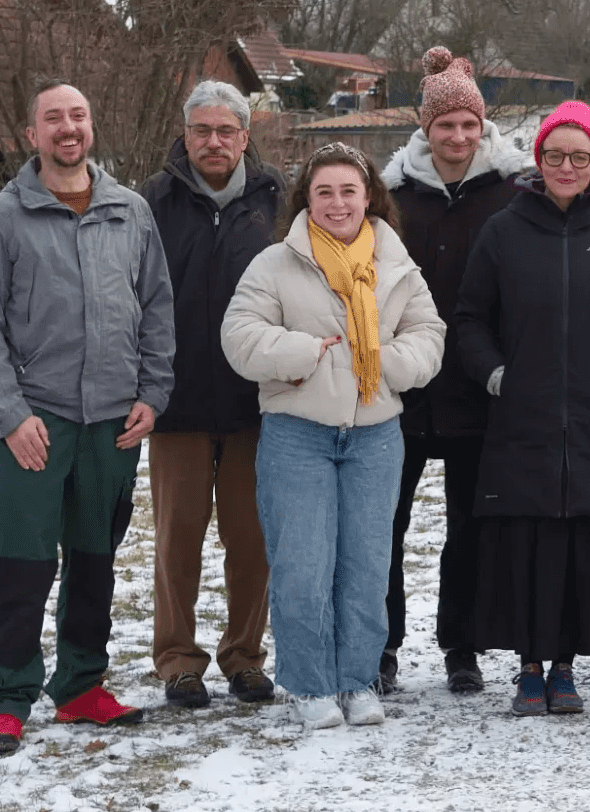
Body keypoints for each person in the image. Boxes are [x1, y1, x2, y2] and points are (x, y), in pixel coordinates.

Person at [0, 81, 175, 757]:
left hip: (112, 422)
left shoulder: (130, 212)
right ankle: (8, 697)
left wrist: (152, 393)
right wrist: (8, 415)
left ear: (91, 127)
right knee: (19, 562)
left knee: (93, 560)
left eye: (77, 115)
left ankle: (81, 685)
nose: (67, 127)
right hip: (35, 422)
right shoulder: (6, 216)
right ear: (32, 135)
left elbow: (156, 308)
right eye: (53, 118)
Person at [221, 144, 446, 730]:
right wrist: (302, 353)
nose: (337, 203)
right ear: (307, 199)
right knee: (302, 566)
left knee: (367, 567)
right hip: (298, 434)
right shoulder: (275, 264)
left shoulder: (396, 264)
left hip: (375, 436)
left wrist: (390, 361)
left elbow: (429, 333)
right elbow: (239, 335)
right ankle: (311, 683)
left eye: (349, 191)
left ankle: (358, 678)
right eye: (324, 192)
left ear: (369, 197)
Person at [454, 100, 590, 716]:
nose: (566, 167)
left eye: (579, 156)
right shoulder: (503, 230)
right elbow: (470, 318)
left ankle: (565, 667)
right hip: (523, 424)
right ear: (538, 159)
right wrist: (494, 373)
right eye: (554, 155)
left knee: (578, 552)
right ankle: (528, 668)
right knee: (526, 547)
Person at [381, 48, 528, 696]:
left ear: (483, 124)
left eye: (469, 124)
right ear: (426, 126)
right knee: (385, 525)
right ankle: (380, 644)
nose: (459, 136)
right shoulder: (393, 197)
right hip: (402, 389)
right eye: (446, 124)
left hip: (478, 388)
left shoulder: (510, 193)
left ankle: (461, 645)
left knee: (469, 526)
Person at [139, 80, 286, 711]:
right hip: (178, 403)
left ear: (245, 137)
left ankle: (245, 657)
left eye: (227, 131)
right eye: (202, 130)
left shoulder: (278, 201)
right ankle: (178, 660)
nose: (214, 142)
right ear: (185, 135)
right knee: (177, 540)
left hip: (259, 404)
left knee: (252, 539)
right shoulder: (152, 201)